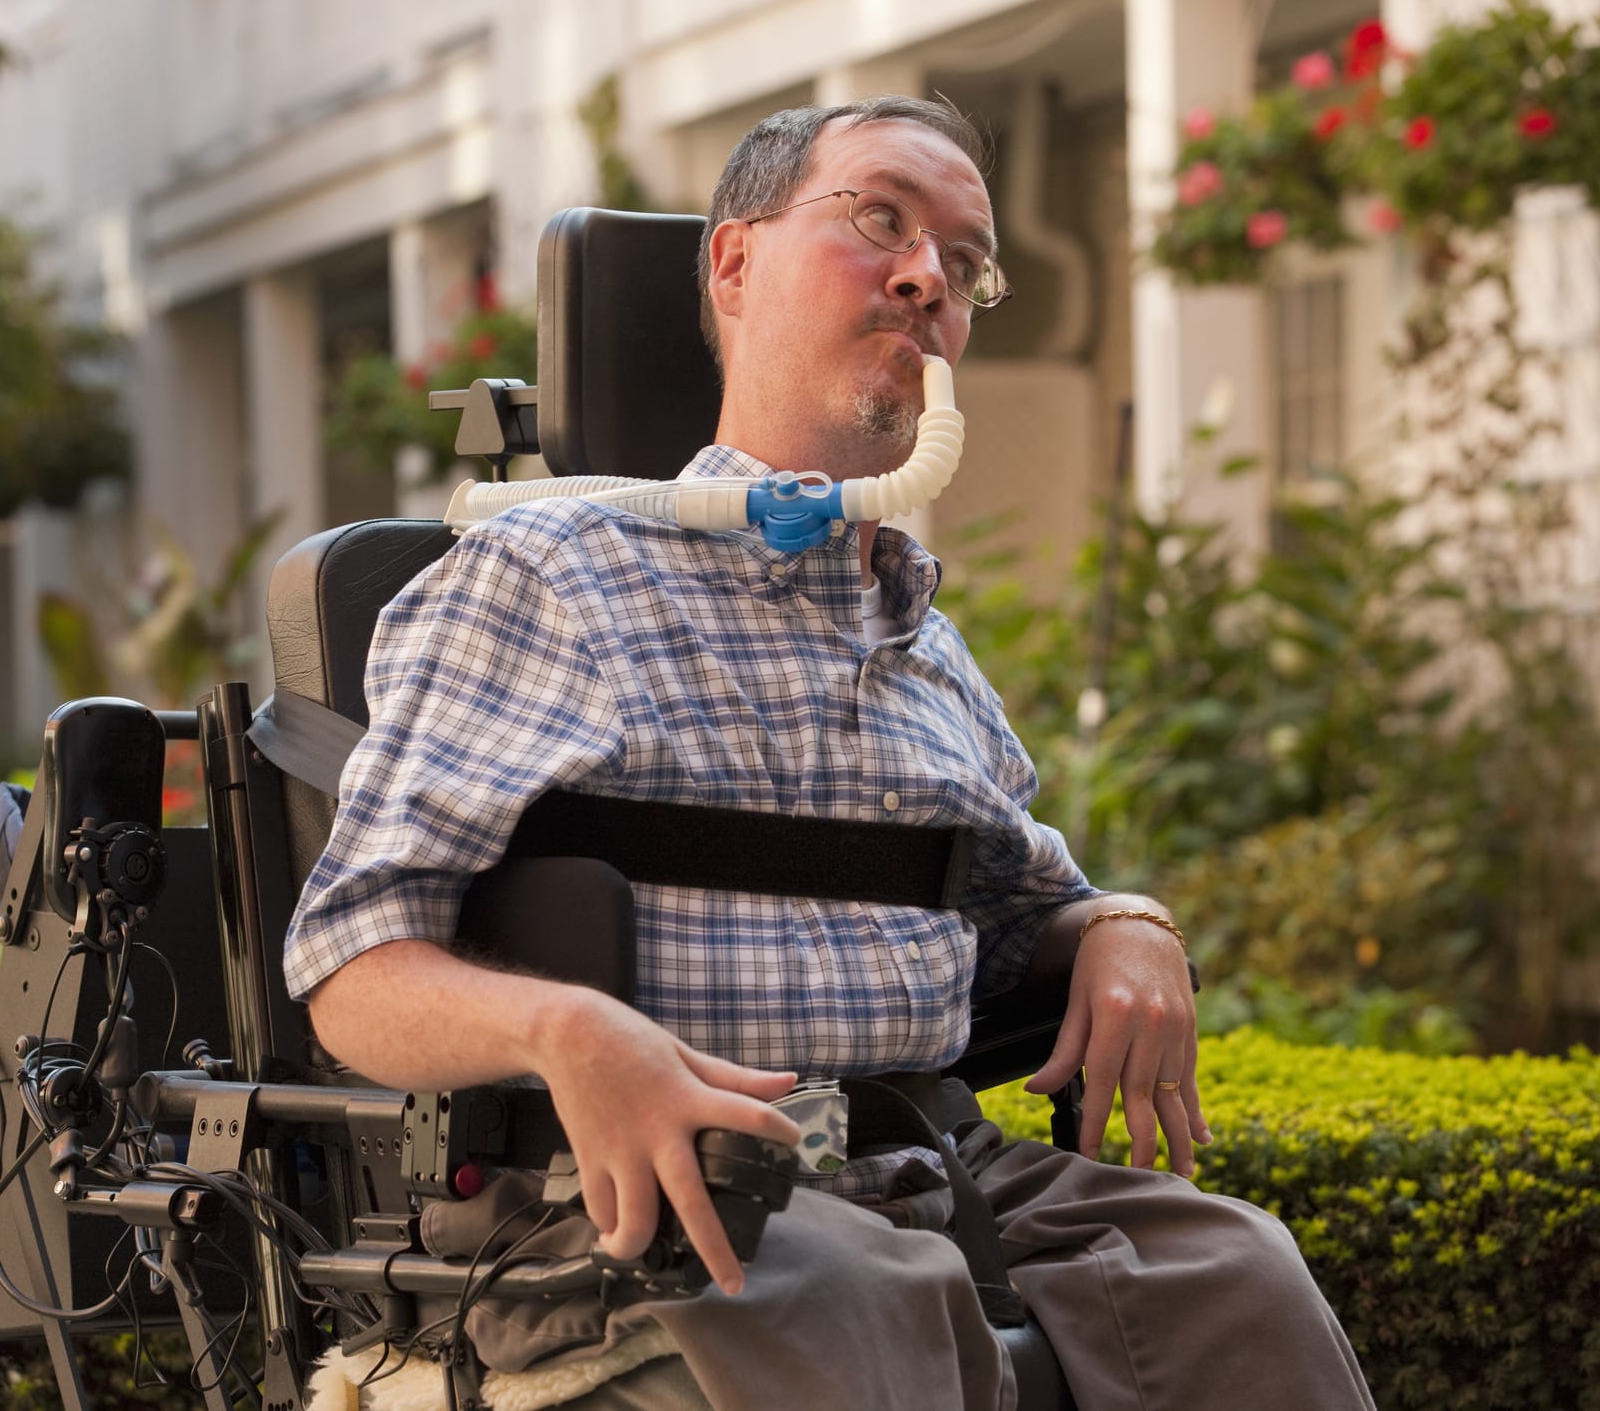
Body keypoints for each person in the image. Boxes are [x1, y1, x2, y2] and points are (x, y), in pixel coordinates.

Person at [285, 96, 1375, 1410]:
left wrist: (1126, 922)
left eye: (965, 267)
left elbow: (1033, 901)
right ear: (735, 263)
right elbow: (349, 967)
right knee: (868, 1304)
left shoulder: (916, 628)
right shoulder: (549, 576)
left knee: (1231, 1271)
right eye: (879, 219)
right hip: (655, 1170)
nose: (929, 277)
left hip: (917, 1156)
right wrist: (561, 1024)